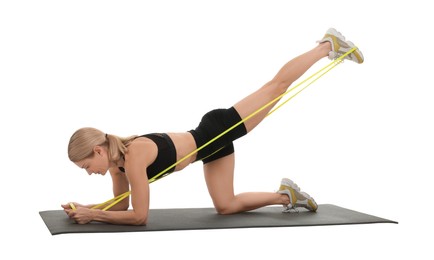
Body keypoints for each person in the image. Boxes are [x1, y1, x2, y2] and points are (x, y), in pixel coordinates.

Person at [63, 28, 364, 225]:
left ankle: (327, 45)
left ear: (98, 150)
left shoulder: (135, 155)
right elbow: (119, 208)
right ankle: (287, 196)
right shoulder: (118, 168)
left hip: (217, 129)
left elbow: (139, 216)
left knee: (276, 86)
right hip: (211, 151)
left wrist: (93, 214)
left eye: (86, 165)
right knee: (226, 205)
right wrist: (85, 209)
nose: (89, 172)